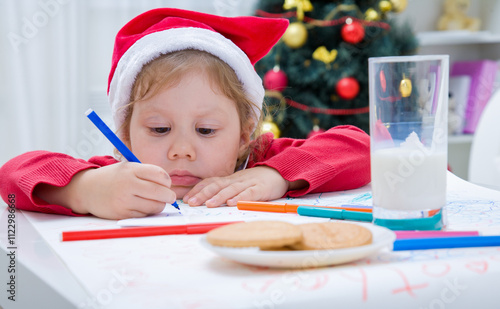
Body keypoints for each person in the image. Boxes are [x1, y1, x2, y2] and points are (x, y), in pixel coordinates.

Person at [0, 8, 370, 220]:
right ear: (124, 135)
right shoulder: (115, 179)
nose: (181, 150)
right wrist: (84, 190)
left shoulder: (257, 163)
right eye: (159, 128)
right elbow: (13, 175)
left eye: (206, 130)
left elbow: (361, 147)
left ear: (244, 134)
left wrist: (277, 176)